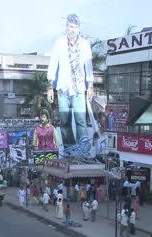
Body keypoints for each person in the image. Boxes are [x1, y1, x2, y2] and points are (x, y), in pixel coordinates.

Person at [47, 13, 93, 146]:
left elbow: (88, 66)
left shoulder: (85, 44)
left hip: (79, 89)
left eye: (74, 27)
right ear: (66, 27)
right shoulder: (59, 43)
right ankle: (70, 150)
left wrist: (90, 85)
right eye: (70, 26)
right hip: (63, 88)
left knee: (81, 121)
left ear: (79, 28)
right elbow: (53, 63)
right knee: (65, 121)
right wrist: (50, 86)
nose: (72, 29)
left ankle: (82, 150)